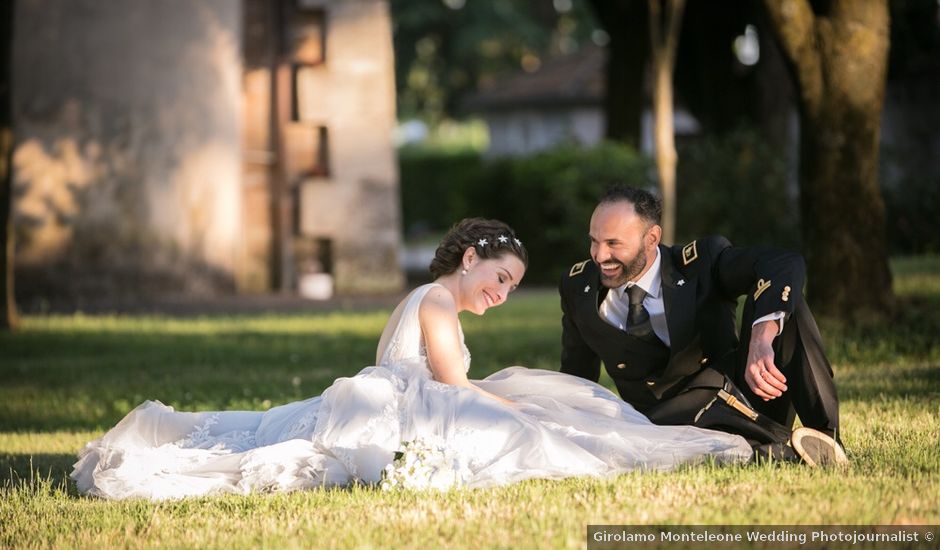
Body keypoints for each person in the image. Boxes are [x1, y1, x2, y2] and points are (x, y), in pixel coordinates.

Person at [72, 218, 752, 500]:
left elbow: (450, 377)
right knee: (522, 422)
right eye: (500, 277)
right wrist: (506, 404)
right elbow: (451, 383)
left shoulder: (439, 302)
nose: (503, 293)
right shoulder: (433, 299)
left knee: (546, 407)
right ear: (469, 258)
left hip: (405, 396)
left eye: (513, 286)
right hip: (395, 405)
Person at [559, 185, 847, 466]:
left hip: (750, 391)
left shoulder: (700, 263)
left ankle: (825, 437)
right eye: (594, 241)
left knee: (786, 304)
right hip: (669, 422)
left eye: (613, 243)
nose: (598, 255)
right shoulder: (578, 288)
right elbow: (577, 377)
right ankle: (776, 451)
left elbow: (784, 263)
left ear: (652, 238)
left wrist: (763, 336)